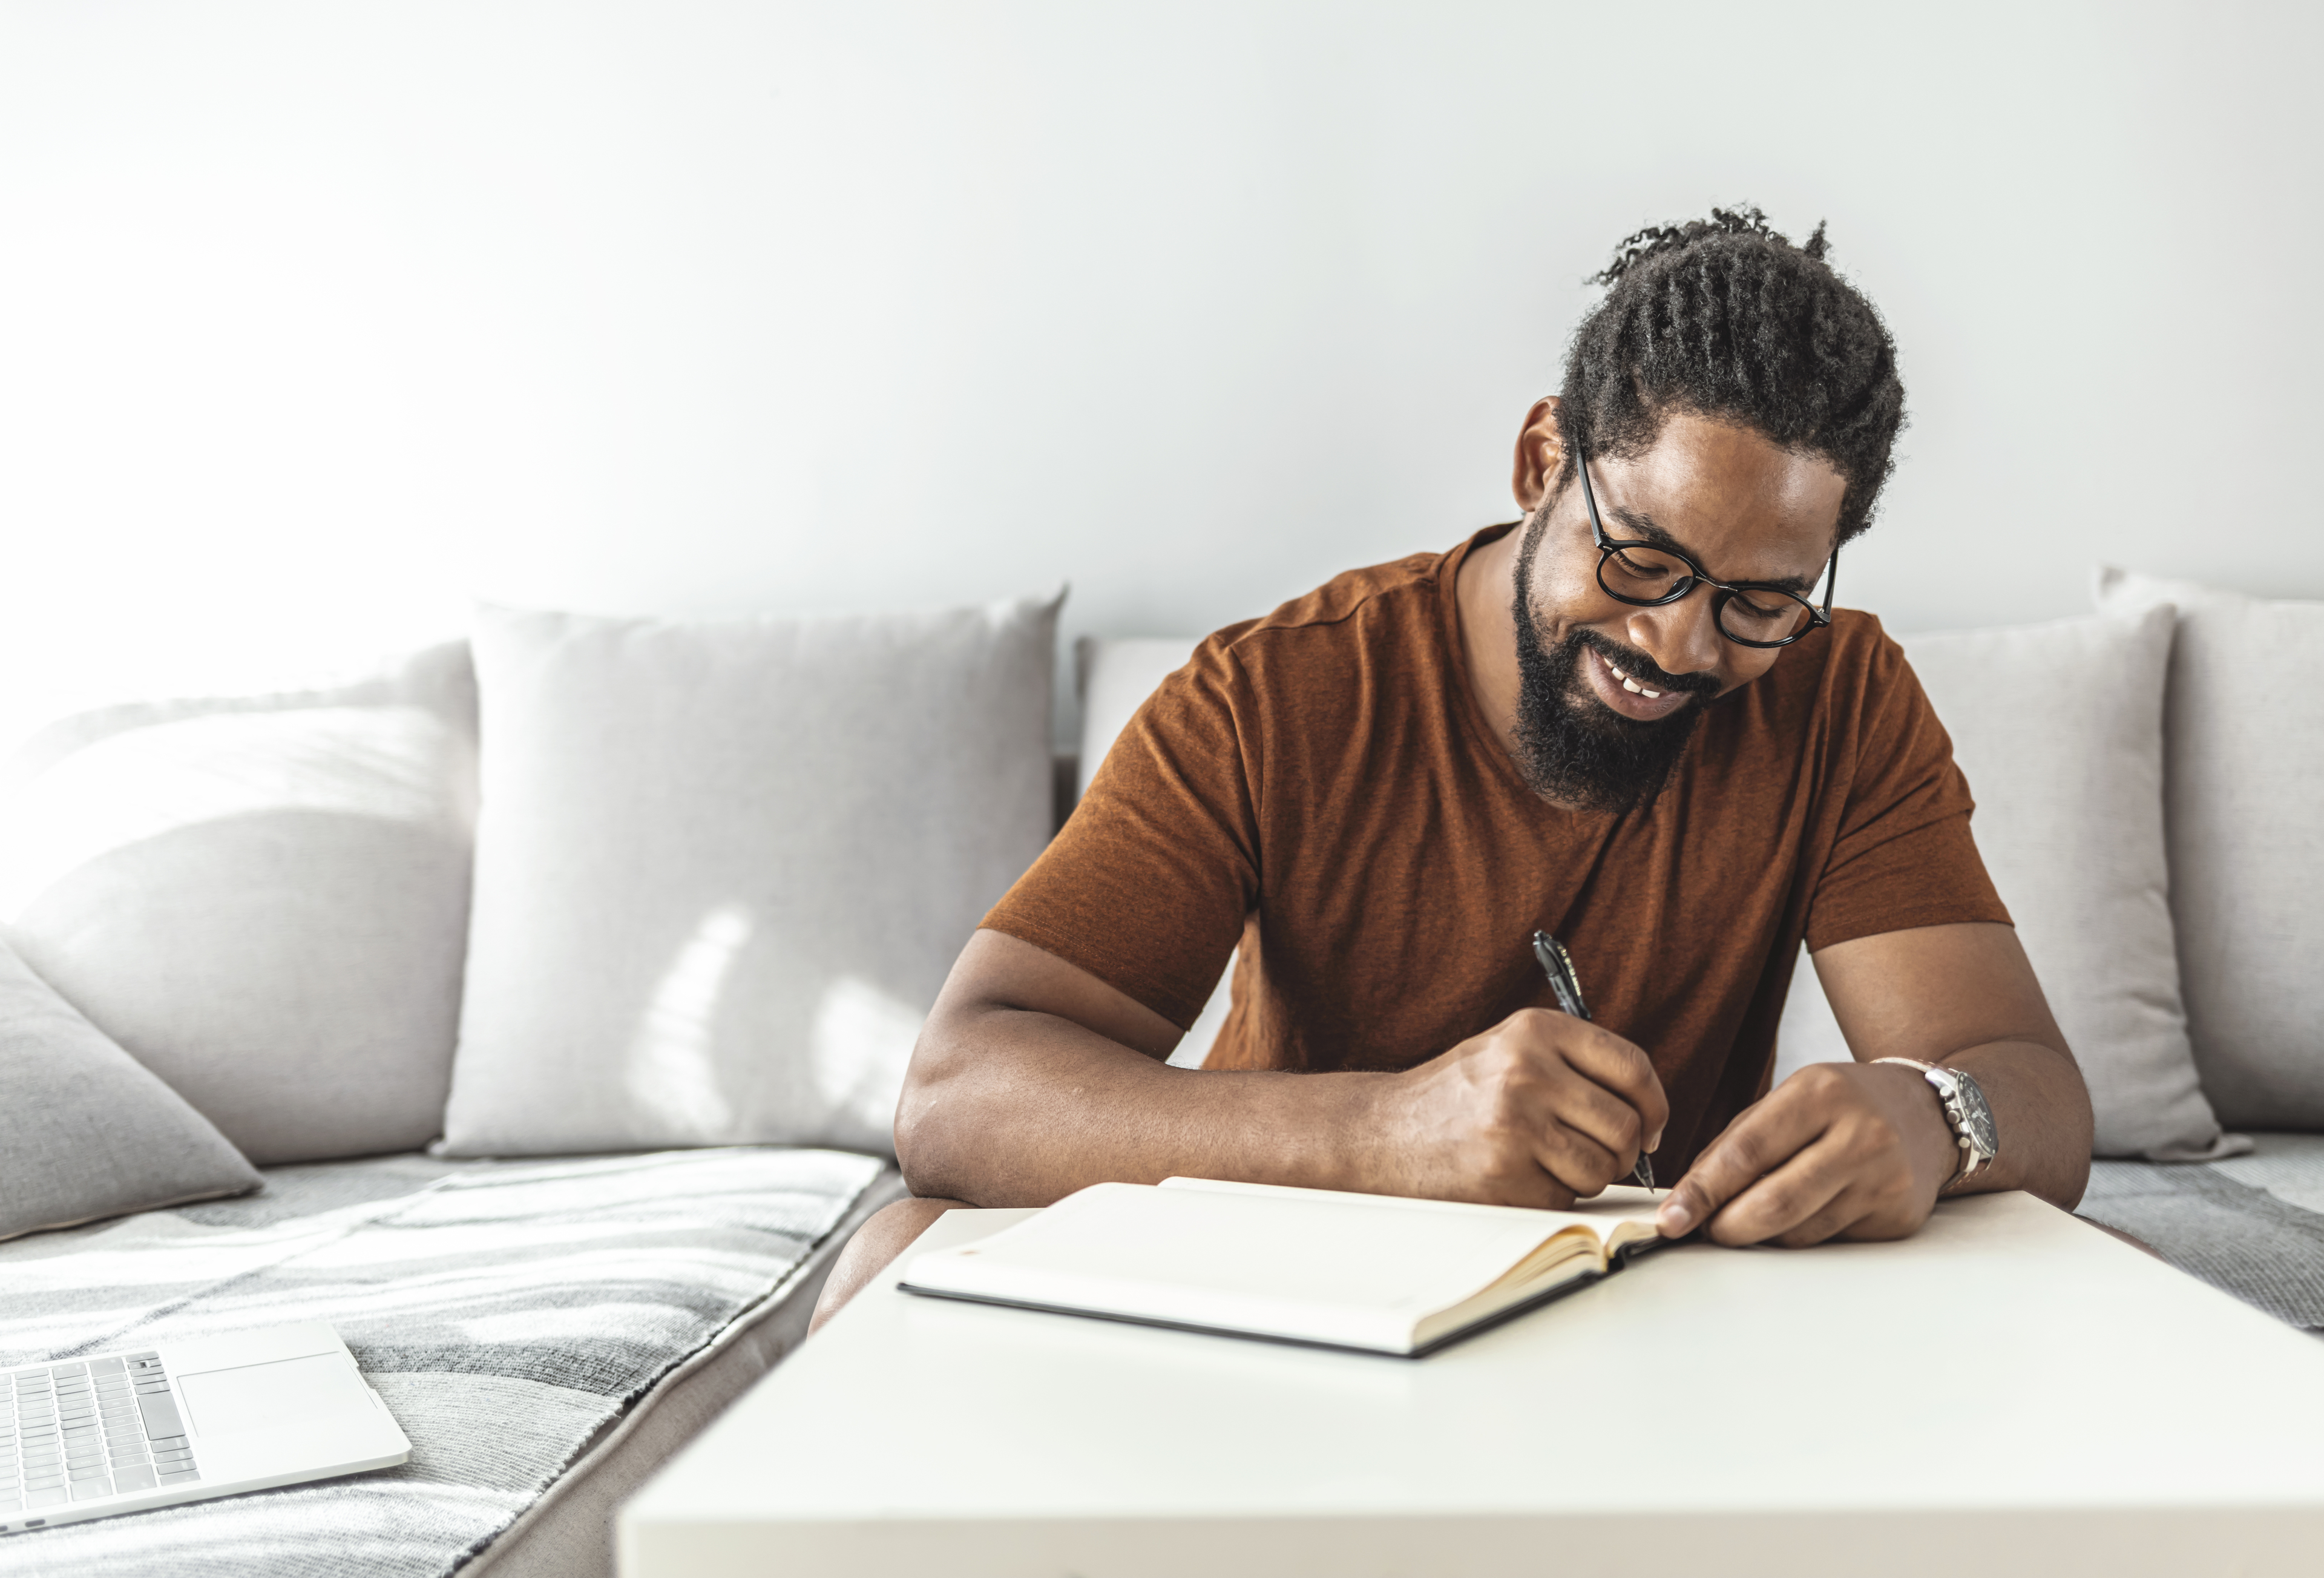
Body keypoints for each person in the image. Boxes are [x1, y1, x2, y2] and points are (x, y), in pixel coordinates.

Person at [810, 206, 2093, 1333]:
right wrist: (1388, 1131)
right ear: (1545, 460)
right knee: (886, 1259)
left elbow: (2033, 1090)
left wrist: (1935, 1115)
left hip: (1655, 1303)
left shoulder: (1839, 695)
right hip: (1280, 1268)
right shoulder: (1274, 692)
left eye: (1758, 601)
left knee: (2118, 1279)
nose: (1678, 642)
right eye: (1640, 558)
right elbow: (958, 1091)